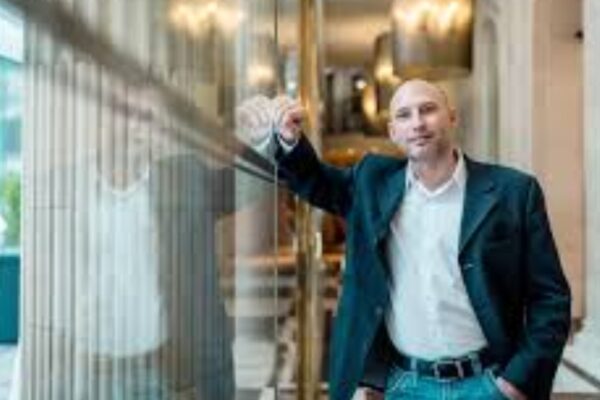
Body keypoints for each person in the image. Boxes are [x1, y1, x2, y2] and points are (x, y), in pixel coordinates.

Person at [237, 79, 571, 400]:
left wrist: (515, 384)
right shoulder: (372, 182)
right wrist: (289, 140)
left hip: (487, 383)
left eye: (428, 109)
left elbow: (550, 299)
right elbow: (317, 180)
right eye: (404, 115)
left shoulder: (514, 192)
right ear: (393, 132)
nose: (417, 123)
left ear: (452, 117)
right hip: (404, 386)